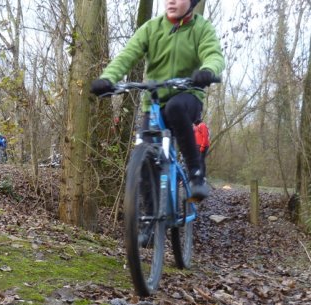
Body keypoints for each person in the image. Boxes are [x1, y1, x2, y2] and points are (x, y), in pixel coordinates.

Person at [90, 0, 225, 201]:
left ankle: (196, 174)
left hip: (188, 95)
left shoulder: (201, 28)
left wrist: (207, 71)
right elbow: (126, 56)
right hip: (154, 103)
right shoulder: (151, 28)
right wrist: (108, 78)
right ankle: (148, 221)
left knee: (175, 107)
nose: (170, 1)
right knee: (144, 156)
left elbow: (213, 55)